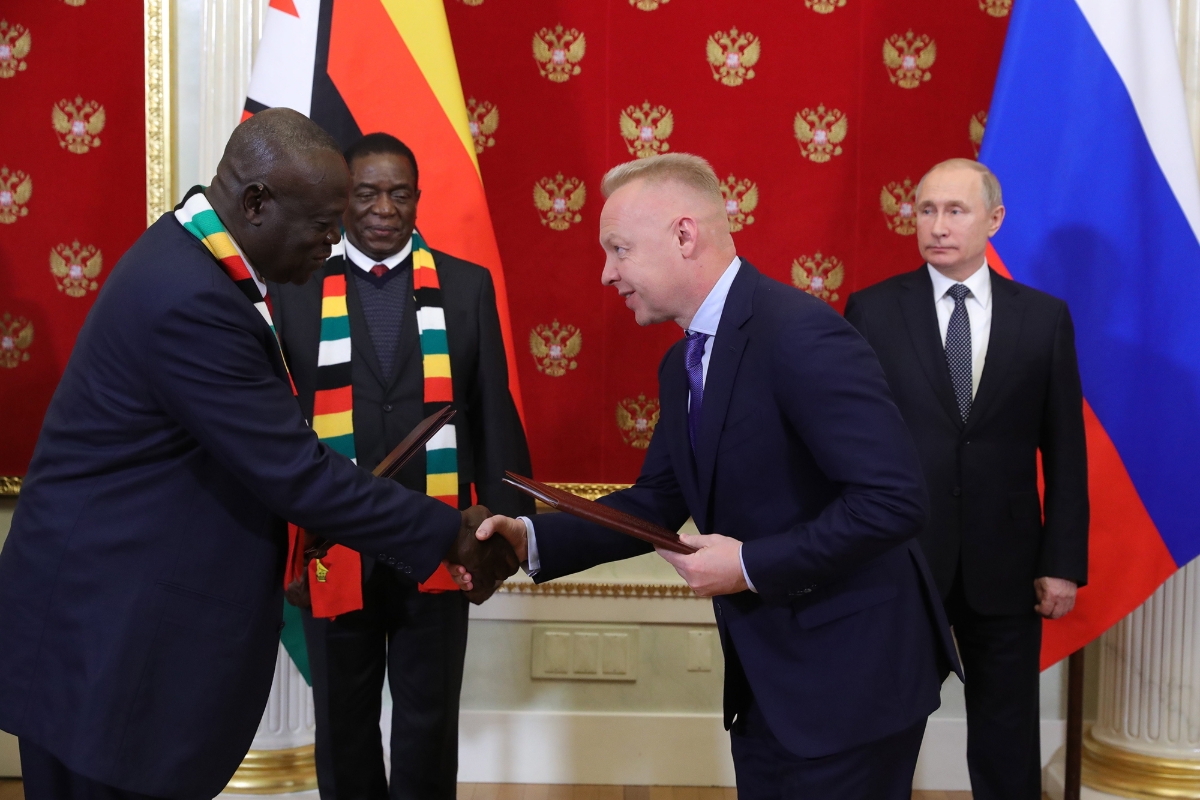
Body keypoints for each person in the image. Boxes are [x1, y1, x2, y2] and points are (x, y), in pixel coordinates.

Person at [0, 108, 517, 800]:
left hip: (113, 632)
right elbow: (295, 470)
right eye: (324, 223)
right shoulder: (192, 299)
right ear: (255, 204)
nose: (335, 241)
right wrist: (447, 531)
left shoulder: (194, 260)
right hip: (105, 642)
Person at [471, 153, 960, 800]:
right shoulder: (683, 365)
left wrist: (750, 564)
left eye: (619, 249)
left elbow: (893, 502)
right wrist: (527, 541)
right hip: (769, 682)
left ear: (683, 235)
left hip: (852, 678)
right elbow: (657, 501)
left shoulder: (800, 335)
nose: (606, 272)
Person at [268, 132, 534, 800]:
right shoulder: (295, 290)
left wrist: (504, 533)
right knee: (343, 726)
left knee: (429, 722)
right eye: (366, 193)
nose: (384, 207)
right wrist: (285, 549)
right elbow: (272, 431)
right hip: (333, 546)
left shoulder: (465, 287)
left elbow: (491, 414)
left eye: (399, 193)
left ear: (417, 197)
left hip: (439, 542)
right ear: (343, 199)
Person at [843, 158, 1089, 800]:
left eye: (955, 211)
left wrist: (1061, 561)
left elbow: (1065, 452)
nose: (938, 225)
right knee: (884, 731)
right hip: (900, 561)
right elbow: (848, 444)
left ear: (994, 220)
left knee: (1007, 741)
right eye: (926, 210)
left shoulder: (1043, 318)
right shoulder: (871, 311)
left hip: (1005, 566)